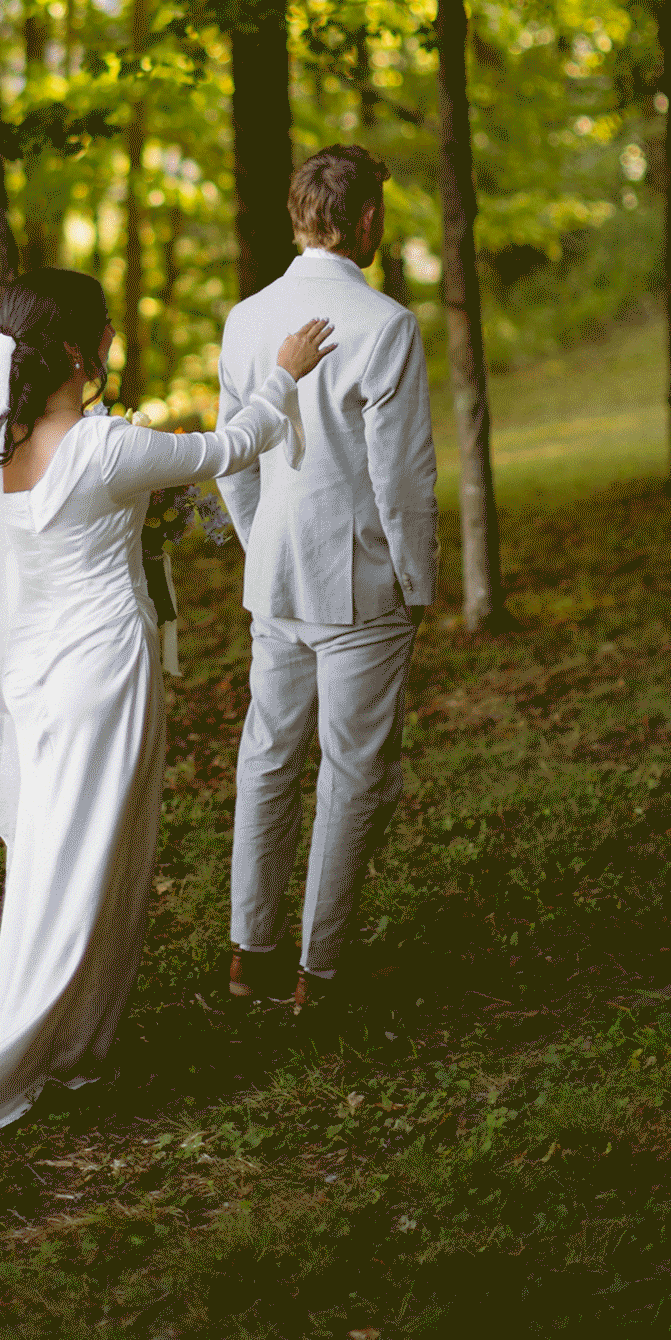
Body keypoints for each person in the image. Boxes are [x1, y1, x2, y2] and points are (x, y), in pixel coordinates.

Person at [0, 267, 334, 1131]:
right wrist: (284, 373)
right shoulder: (104, 447)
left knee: (56, 856)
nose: (111, 337)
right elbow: (230, 447)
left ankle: (73, 1043)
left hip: (35, 675)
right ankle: (29, 1049)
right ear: (76, 349)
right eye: (102, 327)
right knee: (98, 858)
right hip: (103, 668)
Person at [217, 146, 439, 1012]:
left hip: (275, 577)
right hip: (361, 583)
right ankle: (324, 970)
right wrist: (416, 581)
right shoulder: (385, 325)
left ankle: (252, 955)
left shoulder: (246, 320)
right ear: (369, 219)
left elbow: (235, 461)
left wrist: (262, 544)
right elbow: (402, 477)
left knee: (268, 759)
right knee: (353, 772)